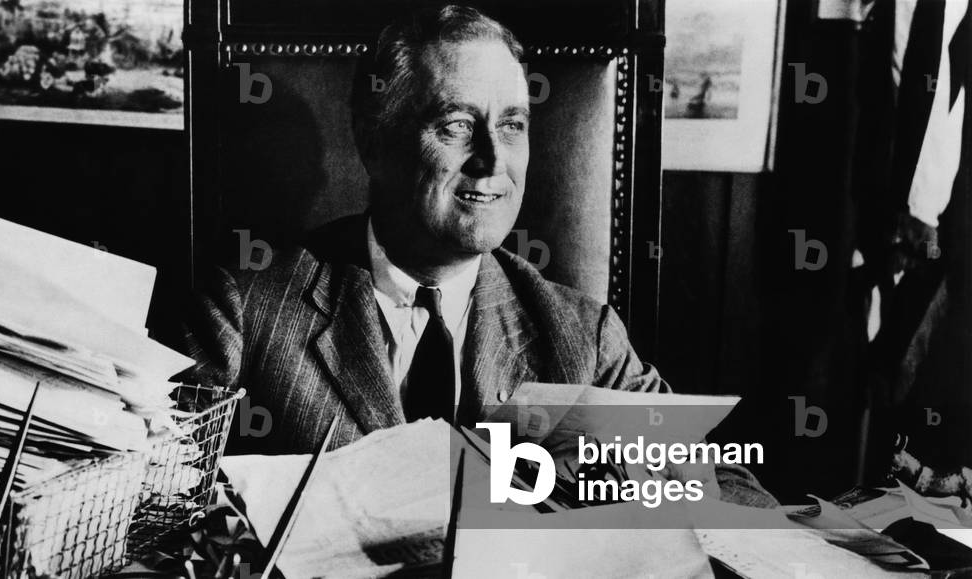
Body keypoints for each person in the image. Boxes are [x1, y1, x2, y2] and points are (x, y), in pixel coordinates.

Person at [179, 4, 776, 507]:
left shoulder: (582, 338)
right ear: (374, 140)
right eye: (458, 125)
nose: (493, 161)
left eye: (512, 125)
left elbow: (730, 490)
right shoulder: (248, 313)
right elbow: (151, 497)